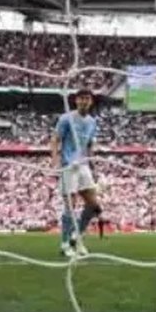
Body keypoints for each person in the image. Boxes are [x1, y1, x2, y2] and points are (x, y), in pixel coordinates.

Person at [51, 88, 101, 258]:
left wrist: (93, 165)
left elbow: (89, 145)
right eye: (81, 98)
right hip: (68, 166)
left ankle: (76, 236)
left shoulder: (93, 122)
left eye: (87, 98)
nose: (84, 101)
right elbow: (55, 140)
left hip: (84, 165)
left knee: (94, 206)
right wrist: (55, 162)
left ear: (91, 101)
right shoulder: (66, 119)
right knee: (70, 207)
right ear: (76, 101)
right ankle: (65, 244)